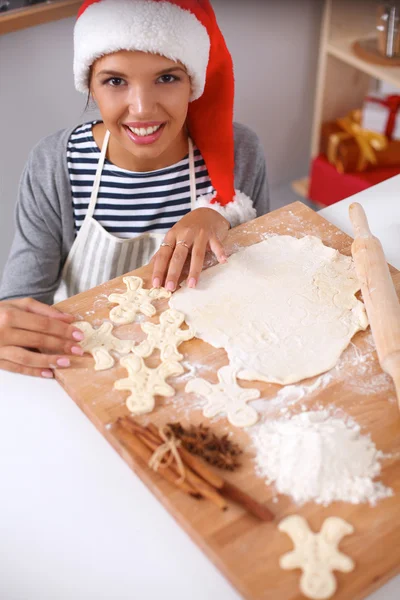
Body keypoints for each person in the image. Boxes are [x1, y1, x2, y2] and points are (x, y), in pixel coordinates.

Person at [0, 0, 269, 379]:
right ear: (89, 86)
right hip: (92, 364)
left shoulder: (239, 152)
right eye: (115, 81)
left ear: (194, 81)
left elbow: (265, 271)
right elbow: (20, 300)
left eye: (166, 78)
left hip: (207, 365)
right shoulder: (56, 165)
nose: (141, 108)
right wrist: (8, 325)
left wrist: (225, 218)